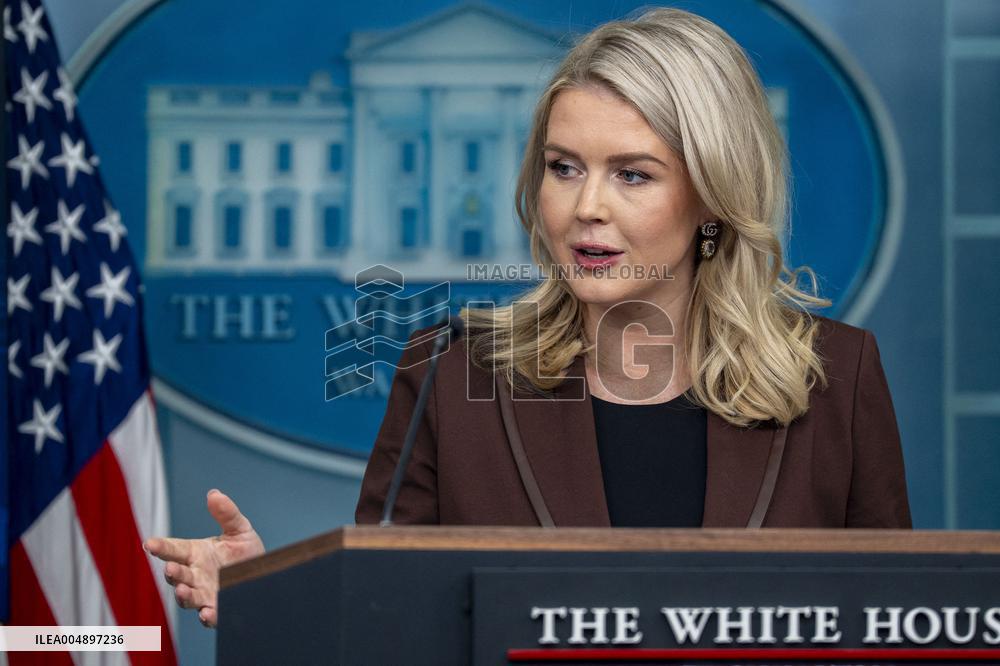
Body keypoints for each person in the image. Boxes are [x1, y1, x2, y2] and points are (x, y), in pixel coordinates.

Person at [144, 7, 911, 629]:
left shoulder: (836, 377)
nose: (586, 208)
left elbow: (904, 630)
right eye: (563, 167)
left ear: (712, 196)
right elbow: (387, 625)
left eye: (633, 174)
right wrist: (271, 597)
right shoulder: (449, 372)